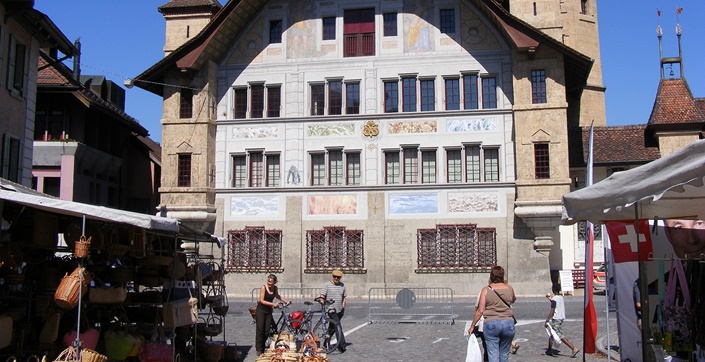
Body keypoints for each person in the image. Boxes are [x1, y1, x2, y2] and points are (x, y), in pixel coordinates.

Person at [468, 266, 516, 362]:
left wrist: (473, 325)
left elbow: (480, 310)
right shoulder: (509, 288)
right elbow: (513, 299)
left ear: (491, 276)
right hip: (508, 322)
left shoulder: (485, 290)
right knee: (504, 355)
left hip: (491, 322)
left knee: (493, 355)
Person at [255, 274, 288, 356]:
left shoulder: (275, 288)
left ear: (274, 283)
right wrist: (273, 304)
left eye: (271, 283)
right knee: (260, 330)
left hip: (268, 311)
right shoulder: (263, 288)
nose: (269, 284)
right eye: (268, 282)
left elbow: (277, 296)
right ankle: (259, 349)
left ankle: (262, 348)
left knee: (267, 331)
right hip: (261, 310)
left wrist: (286, 301)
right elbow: (261, 300)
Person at [544, 285, 580, 357]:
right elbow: (557, 305)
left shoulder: (554, 299)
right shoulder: (561, 297)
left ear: (553, 290)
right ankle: (549, 349)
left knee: (559, 334)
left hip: (556, 318)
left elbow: (553, 309)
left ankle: (573, 348)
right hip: (561, 318)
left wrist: (547, 319)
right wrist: (550, 300)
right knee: (552, 333)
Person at [319, 269, 347, 353]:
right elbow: (322, 296)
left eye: (338, 277)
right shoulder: (327, 285)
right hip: (331, 310)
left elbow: (344, 297)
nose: (336, 278)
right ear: (332, 276)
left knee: (332, 328)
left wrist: (343, 307)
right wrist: (322, 301)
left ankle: (325, 343)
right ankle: (342, 345)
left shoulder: (342, 286)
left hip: (339, 310)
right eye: (335, 277)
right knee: (338, 326)